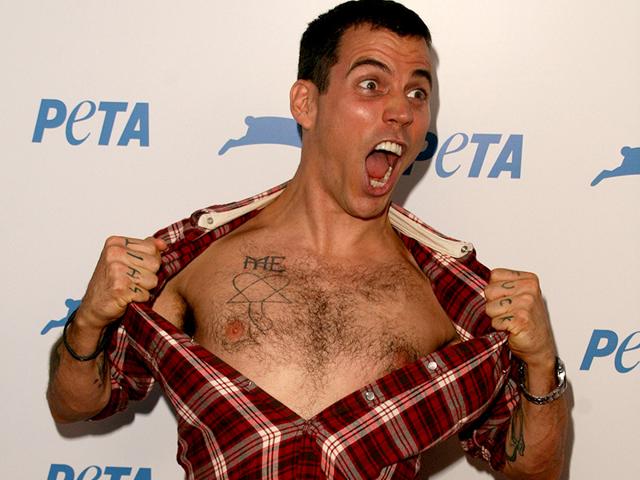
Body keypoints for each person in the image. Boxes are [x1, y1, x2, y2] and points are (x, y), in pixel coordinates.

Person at [47, 1, 568, 478]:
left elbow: (533, 471)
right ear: (305, 103)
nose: (402, 111)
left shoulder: (458, 299)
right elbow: (74, 404)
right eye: (372, 85)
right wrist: (89, 321)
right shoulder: (190, 260)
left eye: (418, 92)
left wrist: (542, 365)